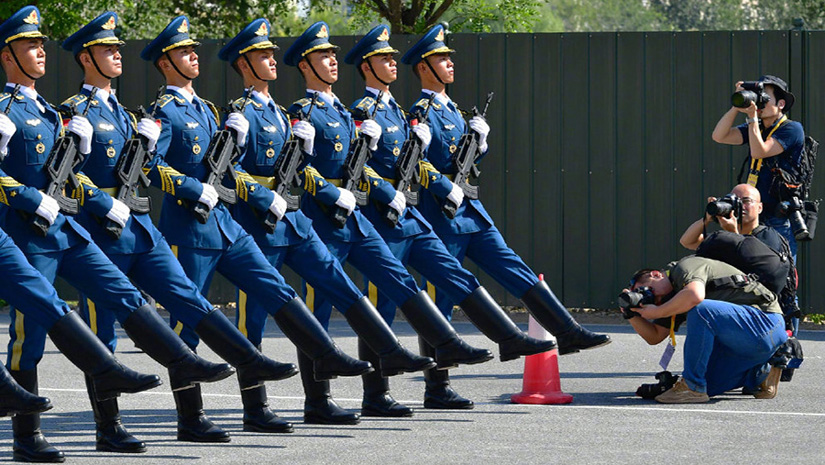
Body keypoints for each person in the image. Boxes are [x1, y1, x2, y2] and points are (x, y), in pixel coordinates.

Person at [0, 7, 242, 461]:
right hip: (28, 233)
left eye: (41, 44)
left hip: (73, 227)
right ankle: (27, 435)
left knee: (126, 296)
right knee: (30, 331)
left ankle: (179, 364)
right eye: (30, 45)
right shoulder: (12, 111)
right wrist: (33, 199)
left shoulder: (55, 113)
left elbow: (76, 171)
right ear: (7, 55)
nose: (40, 51)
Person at [58, 12, 306, 449]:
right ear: (86, 57)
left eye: (118, 48)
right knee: (104, 332)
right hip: (99, 231)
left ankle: (194, 416)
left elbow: (157, 166)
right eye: (107, 49)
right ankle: (109, 426)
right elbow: (69, 174)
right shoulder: (77, 112)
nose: (117, 54)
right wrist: (106, 200)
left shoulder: (132, 113)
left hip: (141, 226)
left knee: (188, 310)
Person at [139, 16, 375, 440]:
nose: (194, 55)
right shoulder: (165, 112)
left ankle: (317, 363)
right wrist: (193, 189)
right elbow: (148, 166)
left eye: (194, 49)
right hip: (188, 230)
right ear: (164, 63)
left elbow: (227, 167)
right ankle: (191, 418)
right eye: (183, 51)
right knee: (188, 322)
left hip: (226, 226)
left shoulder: (208, 110)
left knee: (277, 291)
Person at [215, 18, 434, 427]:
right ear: (244, 64)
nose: (272, 59)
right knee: (255, 319)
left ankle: (336, 387)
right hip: (258, 225)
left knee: (335, 291)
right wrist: (265, 194)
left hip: (294, 220)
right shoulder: (241, 114)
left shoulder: (282, 115)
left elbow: (299, 168)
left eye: (272, 52)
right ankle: (256, 407)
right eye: (263, 54)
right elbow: (228, 172)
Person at [283, 21, 495, 418]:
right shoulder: (301, 112)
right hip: (321, 218)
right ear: (305, 65)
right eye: (323, 56)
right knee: (320, 310)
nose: (332, 61)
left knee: (371, 301)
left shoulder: (350, 113)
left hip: (359, 215)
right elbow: (295, 170)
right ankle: (319, 400)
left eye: (333, 55)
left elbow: (362, 164)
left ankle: (376, 393)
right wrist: (335, 191)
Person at [343, 25, 555, 411]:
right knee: (383, 303)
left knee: (418, 294)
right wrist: (389, 189)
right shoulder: (362, 111)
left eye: (393, 57)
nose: (392, 62)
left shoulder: (399, 111)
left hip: (408, 213)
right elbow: (360, 167)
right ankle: (376, 393)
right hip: (381, 216)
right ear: (366, 66)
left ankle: (434, 386)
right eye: (384, 58)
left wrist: (480, 144)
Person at [401, 26, 609, 355]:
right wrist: (444, 187)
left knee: (513, 267)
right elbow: (416, 162)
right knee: (442, 294)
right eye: (442, 59)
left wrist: (480, 144)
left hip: (471, 210)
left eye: (450, 58)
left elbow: (463, 159)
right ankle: (437, 384)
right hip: (443, 213)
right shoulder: (419, 113)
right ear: (424, 68)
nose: (450, 64)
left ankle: (567, 331)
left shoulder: (454, 110)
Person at [624, 256, 788, 403]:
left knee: (701, 310)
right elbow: (654, 336)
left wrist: (656, 311)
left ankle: (692, 387)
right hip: (745, 342)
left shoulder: (685, 267)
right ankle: (761, 373)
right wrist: (630, 314)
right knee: (708, 386)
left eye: (648, 290)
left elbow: (695, 296)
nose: (654, 298)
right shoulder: (672, 298)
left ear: (656, 274)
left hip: (766, 322)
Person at [711, 76, 805, 263]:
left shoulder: (792, 129)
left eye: (764, 98)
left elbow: (759, 151)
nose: (759, 102)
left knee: (780, 270)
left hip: (779, 214)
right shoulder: (756, 127)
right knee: (750, 266)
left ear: (781, 103)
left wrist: (752, 117)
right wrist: (736, 107)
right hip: (753, 213)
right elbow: (719, 136)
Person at [680, 184, 787, 252]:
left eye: (746, 201)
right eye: (736, 202)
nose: (741, 206)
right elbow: (688, 242)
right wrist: (707, 219)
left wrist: (732, 233)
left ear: (760, 208)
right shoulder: (725, 236)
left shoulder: (768, 236)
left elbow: (752, 262)